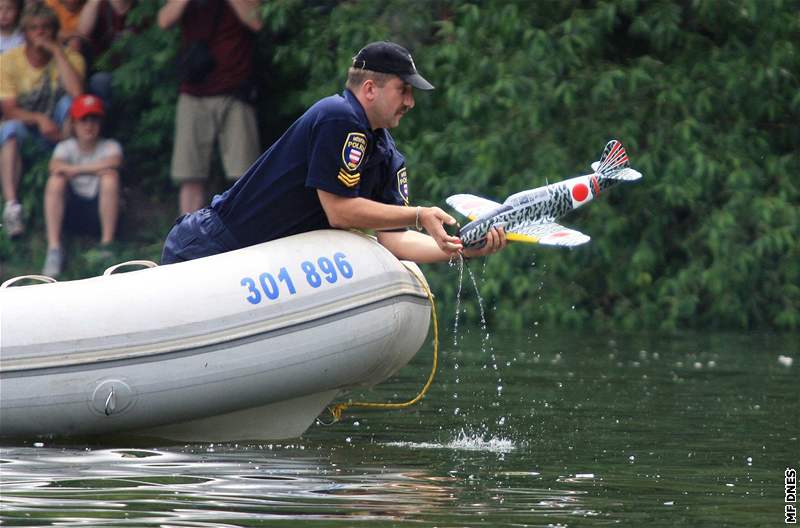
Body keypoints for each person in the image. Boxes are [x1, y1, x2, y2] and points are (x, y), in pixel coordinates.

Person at [162, 41, 507, 266]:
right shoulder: (338, 117)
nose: (410, 102)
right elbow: (340, 211)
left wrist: (460, 247)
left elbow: (395, 241)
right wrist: (419, 214)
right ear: (370, 89)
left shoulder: (388, 154)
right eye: (403, 90)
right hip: (211, 247)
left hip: (253, 264)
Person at [157, 0, 262, 215]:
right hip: (194, 92)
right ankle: (187, 241)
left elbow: (257, 22)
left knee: (244, 174)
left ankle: (245, 239)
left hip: (235, 92)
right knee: (190, 174)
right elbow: (164, 20)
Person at [0, 2, 85, 237]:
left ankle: (72, 163)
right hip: (31, 129)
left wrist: (57, 52)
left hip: (63, 128)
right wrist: (39, 119)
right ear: (25, 33)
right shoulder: (8, 60)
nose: (40, 33)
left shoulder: (71, 57)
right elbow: (9, 110)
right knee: (9, 129)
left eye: (46, 27)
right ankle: (12, 206)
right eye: (34, 28)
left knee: (69, 104)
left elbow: (78, 96)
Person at [42, 93, 121, 276]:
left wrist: (71, 170)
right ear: (74, 123)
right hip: (71, 210)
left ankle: (107, 246)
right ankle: (54, 249)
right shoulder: (65, 147)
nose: (89, 125)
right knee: (55, 181)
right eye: (83, 120)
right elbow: (54, 166)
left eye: (94, 119)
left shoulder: (110, 146)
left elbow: (114, 162)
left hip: (98, 209)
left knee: (110, 178)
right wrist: (94, 169)